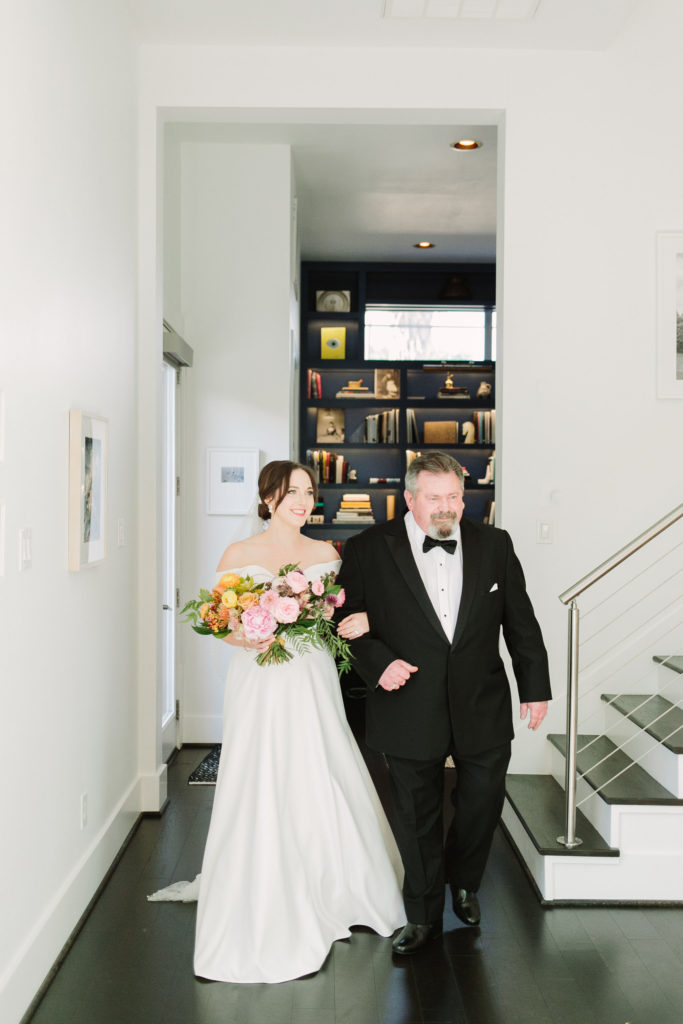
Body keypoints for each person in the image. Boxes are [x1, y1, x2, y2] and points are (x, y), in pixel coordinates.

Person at [190, 460, 405, 983]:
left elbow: (345, 610)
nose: (304, 501)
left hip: (311, 674)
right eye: (293, 492)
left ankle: (336, 884)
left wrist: (364, 618)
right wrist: (250, 634)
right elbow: (218, 624)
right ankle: (263, 881)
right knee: (262, 772)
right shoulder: (238, 555)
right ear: (268, 498)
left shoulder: (326, 554)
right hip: (260, 679)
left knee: (318, 764)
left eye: (310, 492)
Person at [335, 450, 551, 956]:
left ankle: (464, 882)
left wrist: (535, 687)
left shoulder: (495, 544)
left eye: (454, 496)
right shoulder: (369, 547)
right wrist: (379, 661)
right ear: (409, 498)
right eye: (433, 497)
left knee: (482, 801)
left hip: (483, 701)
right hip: (407, 701)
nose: (446, 507)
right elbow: (342, 622)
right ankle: (424, 914)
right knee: (416, 813)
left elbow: (521, 621)